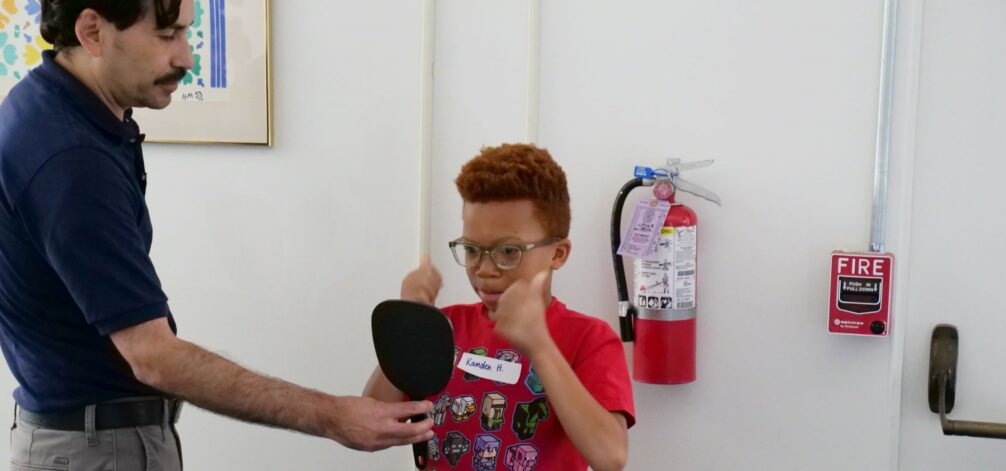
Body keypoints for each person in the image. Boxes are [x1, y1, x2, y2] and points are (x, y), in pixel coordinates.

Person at [0, 1, 432, 469]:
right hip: (97, 449)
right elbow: (154, 357)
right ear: (93, 31)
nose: (187, 57)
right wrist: (334, 416)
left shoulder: (52, 109)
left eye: (187, 34)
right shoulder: (69, 158)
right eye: (168, 36)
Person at [364, 144, 635, 471]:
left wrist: (540, 346)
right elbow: (368, 422)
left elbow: (611, 457)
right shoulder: (445, 327)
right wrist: (410, 324)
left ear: (558, 254)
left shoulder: (589, 338)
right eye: (472, 250)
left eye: (508, 251)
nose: (485, 269)